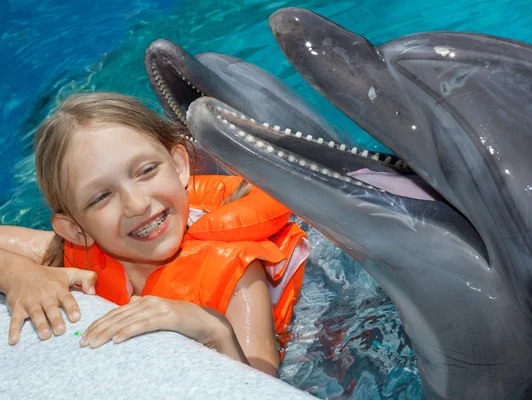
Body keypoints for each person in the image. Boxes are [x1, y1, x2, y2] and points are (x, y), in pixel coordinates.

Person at [0, 92, 310, 377]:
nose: (137, 204)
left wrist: (213, 330)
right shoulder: (78, 255)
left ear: (178, 166)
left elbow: (259, 389)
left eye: (146, 171)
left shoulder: (239, 277)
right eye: (101, 197)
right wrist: (18, 274)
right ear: (76, 231)